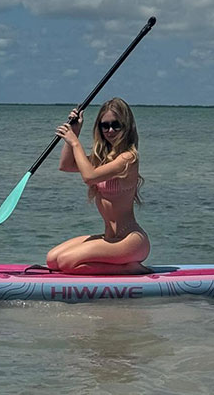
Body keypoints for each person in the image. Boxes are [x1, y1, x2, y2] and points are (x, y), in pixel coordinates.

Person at [46, 97, 151, 275]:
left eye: (116, 125)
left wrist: (75, 142)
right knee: (52, 259)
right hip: (109, 238)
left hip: (130, 240)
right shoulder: (101, 159)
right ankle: (121, 266)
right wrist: (75, 132)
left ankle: (129, 269)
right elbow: (66, 165)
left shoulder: (128, 158)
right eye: (105, 125)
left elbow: (89, 177)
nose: (110, 130)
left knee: (66, 262)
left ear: (126, 127)